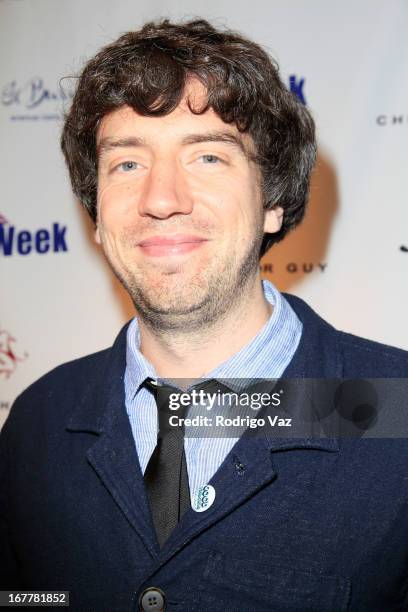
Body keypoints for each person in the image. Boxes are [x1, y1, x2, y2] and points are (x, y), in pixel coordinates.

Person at [1, 18, 407, 612]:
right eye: (128, 164)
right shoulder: (39, 420)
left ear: (272, 200)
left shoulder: (396, 412)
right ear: (95, 212)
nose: (161, 199)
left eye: (208, 157)